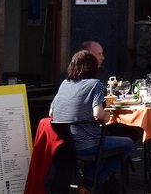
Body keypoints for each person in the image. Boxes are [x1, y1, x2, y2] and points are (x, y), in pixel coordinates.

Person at [49, 51, 134, 194]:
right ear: (93, 67)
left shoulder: (65, 83)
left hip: (67, 143)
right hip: (88, 144)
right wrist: (106, 116)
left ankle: (88, 182)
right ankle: (91, 182)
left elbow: (52, 111)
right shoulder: (95, 84)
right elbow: (98, 115)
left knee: (97, 140)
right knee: (128, 143)